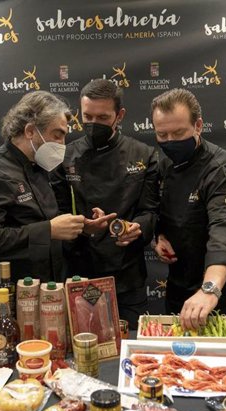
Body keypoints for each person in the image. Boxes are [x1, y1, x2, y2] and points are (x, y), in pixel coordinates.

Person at [51, 79, 160, 328]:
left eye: (102, 117)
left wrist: (135, 228)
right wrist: (83, 226)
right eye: (87, 116)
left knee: (130, 351)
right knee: (82, 353)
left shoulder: (144, 154)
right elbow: (57, 214)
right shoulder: (63, 156)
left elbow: (150, 211)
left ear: (119, 115)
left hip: (127, 276)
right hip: (79, 271)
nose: (93, 124)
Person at [151, 89, 226, 331]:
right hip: (178, 286)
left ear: (198, 125)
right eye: (162, 134)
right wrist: (159, 237)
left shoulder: (222, 170)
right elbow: (159, 210)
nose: (170, 141)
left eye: (178, 133)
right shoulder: (164, 165)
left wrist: (209, 289)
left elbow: (225, 229)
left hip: (220, 291)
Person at [0, 91, 85, 283]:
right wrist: (49, 230)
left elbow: (47, 224)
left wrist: (81, 227)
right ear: (30, 131)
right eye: (57, 135)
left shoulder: (41, 167)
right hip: (10, 293)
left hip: (47, 287)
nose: (62, 144)